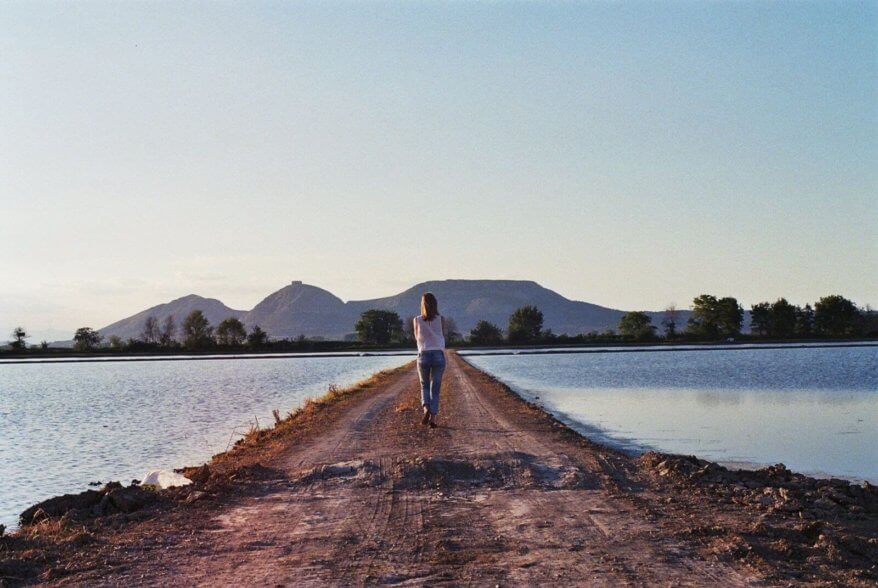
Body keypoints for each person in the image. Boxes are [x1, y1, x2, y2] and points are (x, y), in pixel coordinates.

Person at [413, 292, 446, 428]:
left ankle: (426, 408)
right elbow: (443, 334)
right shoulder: (441, 319)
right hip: (438, 354)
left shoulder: (416, 320)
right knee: (435, 388)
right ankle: (432, 419)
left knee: (424, 385)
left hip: (424, 354)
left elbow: (417, 338)